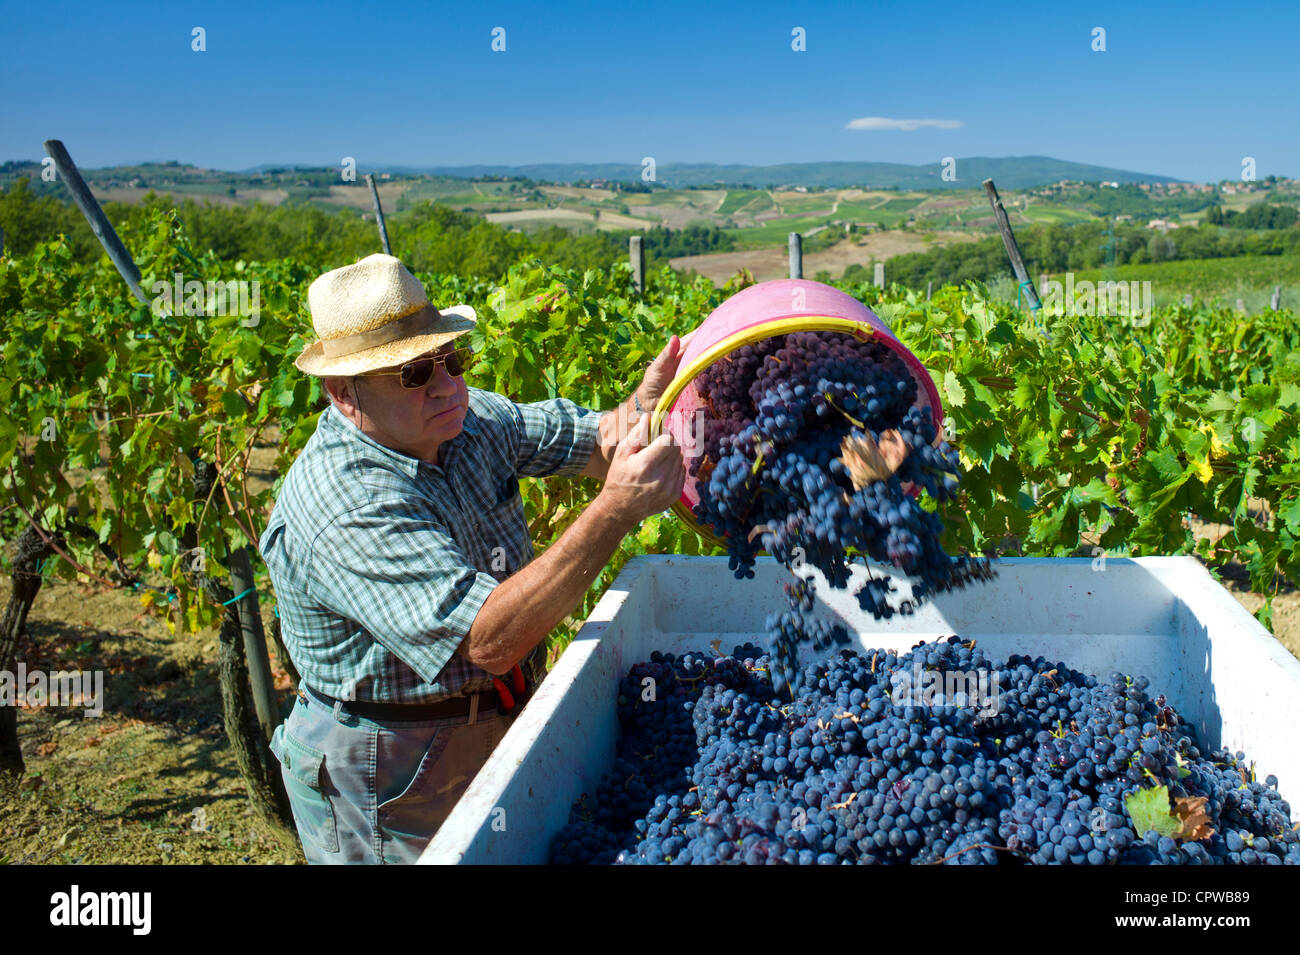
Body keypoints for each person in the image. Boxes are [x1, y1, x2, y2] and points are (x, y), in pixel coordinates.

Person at [261, 253, 689, 863]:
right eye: (412, 373)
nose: (445, 384)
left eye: (451, 359)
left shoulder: (468, 418)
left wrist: (648, 407)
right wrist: (614, 511)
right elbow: (490, 640)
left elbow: (599, 442)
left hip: (494, 719)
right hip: (390, 769)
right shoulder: (345, 502)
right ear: (342, 393)